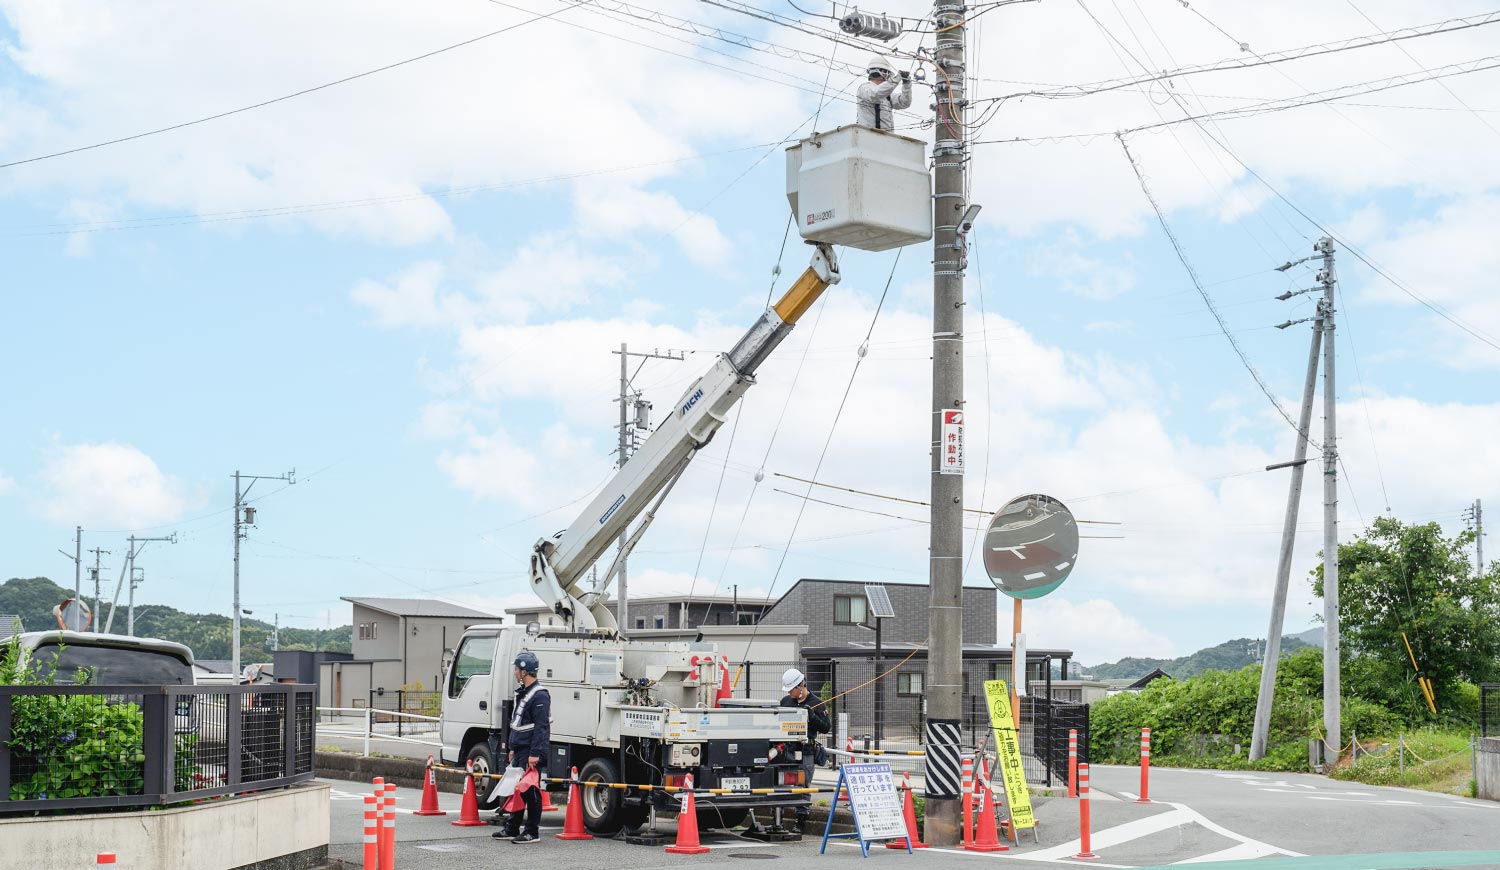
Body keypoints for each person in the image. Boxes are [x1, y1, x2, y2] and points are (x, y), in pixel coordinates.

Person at [494, 650, 550, 845]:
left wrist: (534, 753)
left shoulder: (540, 695)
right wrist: (512, 747)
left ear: (525, 671)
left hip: (531, 751)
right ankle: (512, 828)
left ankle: (532, 832)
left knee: (530, 791)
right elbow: (518, 724)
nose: (515, 672)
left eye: (517, 669)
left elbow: (541, 727)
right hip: (520, 749)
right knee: (516, 790)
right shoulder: (524, 692)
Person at [780, 667, 832, 831]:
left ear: (800, 686)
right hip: (786, 749)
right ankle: (778, 820)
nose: (790, 694)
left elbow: (825, 727)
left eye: (791, 690)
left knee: (804, 785)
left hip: (806, 749)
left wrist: (812, 716)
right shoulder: (785, 702)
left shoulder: (816, 703)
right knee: (781, 784)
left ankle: (800, 822)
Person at [856, 55, 912, 132]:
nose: (887, 76)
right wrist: (896, 79)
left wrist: (906, 84)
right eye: (886, 72)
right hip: (868, 136)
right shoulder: (864, 88)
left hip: (887, 138)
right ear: (879, 72)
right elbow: (875, 95)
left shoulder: (887, 95)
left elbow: (904, 103)